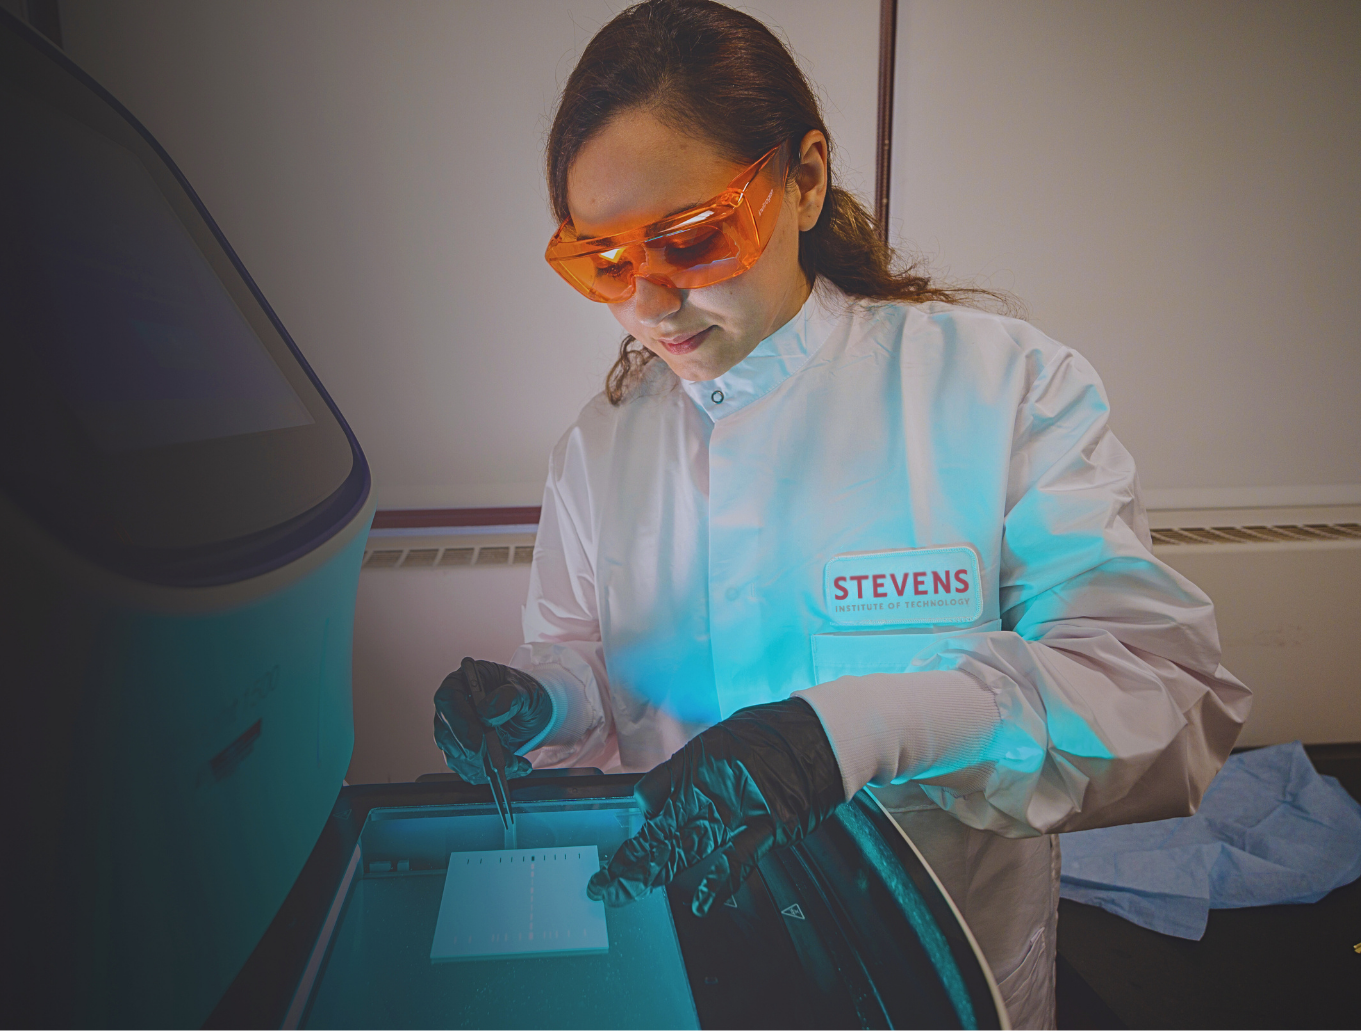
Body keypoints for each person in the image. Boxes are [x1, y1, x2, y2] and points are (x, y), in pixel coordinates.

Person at [431, 0, 1252, 1026]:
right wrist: (542, 696)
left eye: (691, 238)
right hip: (687, 963)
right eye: (607, 260)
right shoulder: (601, 447)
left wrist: (845, 734)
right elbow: (596, 665)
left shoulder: (1000, 389)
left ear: (805, 178)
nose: (648, 302)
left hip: (937, 976)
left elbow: (1160, 697)